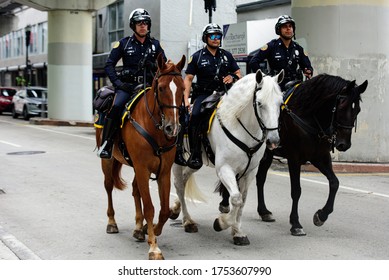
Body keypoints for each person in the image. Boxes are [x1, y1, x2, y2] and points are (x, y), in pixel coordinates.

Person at [98, 8, 166, 159]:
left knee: (170, 107)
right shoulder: (123, 43)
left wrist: (154, 66)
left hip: (149, 86)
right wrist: (118, 84)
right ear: (133, 26)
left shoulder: (155, 45)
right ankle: (107, 144)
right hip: (128, 87)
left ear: (148, 26)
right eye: (139, 23)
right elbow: (109, 65)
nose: (142, 26)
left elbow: (164, 66)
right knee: (116, 106)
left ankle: (175, 146)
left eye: (145, 23)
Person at [183, 23, 242, 169]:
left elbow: (238, 74)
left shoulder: (227, 56)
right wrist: (185, 100)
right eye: (213, 36)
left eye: (218, 36)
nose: (216, 39)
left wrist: (232, 77)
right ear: (206, 38)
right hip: (204, 95)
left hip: (224, 94)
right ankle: (195, 153)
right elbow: (188, 79)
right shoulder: (197, 57)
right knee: (195, 116)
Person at [249, 15, 313, 91]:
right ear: (279, 30)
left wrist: (308, 71)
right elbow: (253, 62)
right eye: (285, 26)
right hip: (276, 88)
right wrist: (264, 78)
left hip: (294, 87)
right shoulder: (271, 46)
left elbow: (308, 67)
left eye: (290, 26)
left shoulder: (298, 48)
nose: (288, 28)